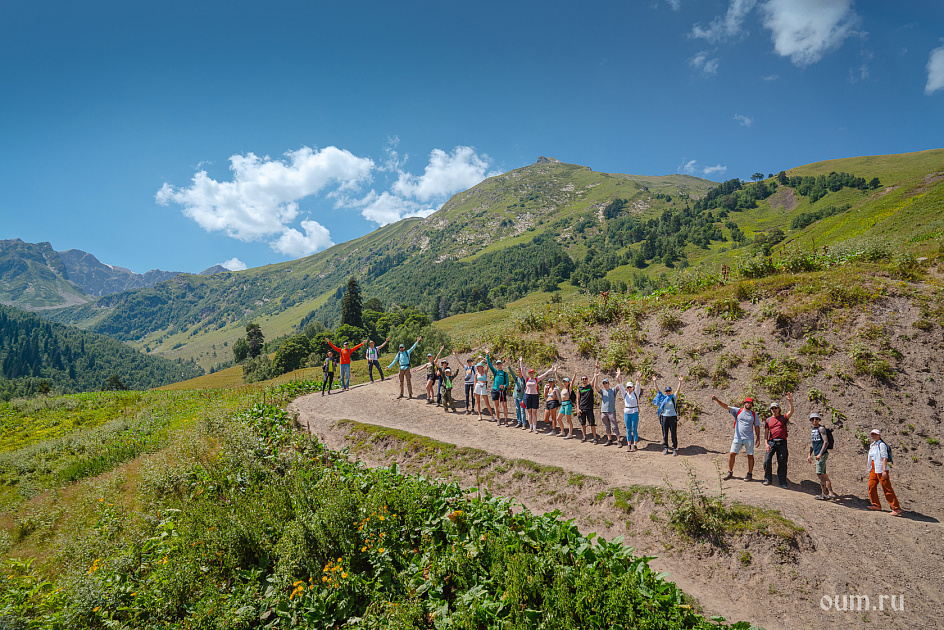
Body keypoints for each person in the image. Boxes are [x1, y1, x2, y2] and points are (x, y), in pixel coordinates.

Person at [712, 395, 760, 479]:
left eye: (750, 403)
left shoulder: (754, 414)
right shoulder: (738, 411)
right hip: (738, 437)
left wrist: (758, 438)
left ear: (752, 405)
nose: (749, 404)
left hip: (749, 438)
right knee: (732, 454)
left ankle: (749, 474)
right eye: (747, 402)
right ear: (744, 403)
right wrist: (717, 400)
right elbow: (726, 406)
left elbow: (757, 426)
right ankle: (730, 472)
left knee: (750, 455)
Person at [867, 429, 902, 516]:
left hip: (880, 468)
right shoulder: (872, 445)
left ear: (879, 435)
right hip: (873, 468)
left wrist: (884, 470)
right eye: (872, 434)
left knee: (886, 488)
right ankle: (876, 505)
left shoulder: (882, 445)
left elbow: (884, 458)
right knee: (871, 486)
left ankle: (896, 508)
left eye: (875, 434)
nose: (874, 436)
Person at [763, 393, 794, 488]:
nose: (774, 410)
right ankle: (768, 479)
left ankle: (782, 482)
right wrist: (766, 444)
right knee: (767, 460)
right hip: (772, 442)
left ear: (779, 409)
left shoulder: (783, 417)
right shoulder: (768, 420)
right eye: (772, 408)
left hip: (782, 443)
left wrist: (790, 401)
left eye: (775, 408)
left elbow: (791, 411)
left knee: (782, 462)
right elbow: (766, 433)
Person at [808, 413, 837, 500]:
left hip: (822, 454)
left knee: (821, 474)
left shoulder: (821, 429)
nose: (814, 420)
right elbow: (813, 443)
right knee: (821, 474)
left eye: (816, 419)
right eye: (812, 419)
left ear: (819, 419)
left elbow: (826, 442)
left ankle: (829, 493)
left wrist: (820, 454)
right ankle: (825, 493)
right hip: (817, 454)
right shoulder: (813, 430)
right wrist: (809, 454)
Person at [521, 361, 555, 433]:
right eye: (530, 373)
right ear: (529, 374)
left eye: (532, 373)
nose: (531, 374)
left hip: (534, 396)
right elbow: (522, 370)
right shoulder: (526, 379)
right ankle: (530, 427)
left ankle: (534, 428)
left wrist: (550, 370)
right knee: (529, 412)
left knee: (534, 412)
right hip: (527, 396)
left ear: (534, 373)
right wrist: (521, 361)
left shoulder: (536, 379)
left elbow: (544, 375)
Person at [654, 375, 684, 455]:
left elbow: (678, 390)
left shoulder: (673, 397)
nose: (668, 392)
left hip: (672, 417)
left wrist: (680, 382)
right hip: (664, 417)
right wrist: (655, 381)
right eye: (667, 391)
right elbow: (657, 391)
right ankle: (666, 448)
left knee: (673, 433)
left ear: (671, 391)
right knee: (665, 433)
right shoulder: (663, 397)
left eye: (669, 391)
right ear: (665, 392)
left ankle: (674, 448)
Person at [617, 369, 643, 452]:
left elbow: (638, 384)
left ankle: (635, 445)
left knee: (634, 429)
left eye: (630, 387)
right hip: (627, 413)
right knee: (628, 429)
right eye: (628, 387)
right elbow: (620, 384)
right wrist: (619, 376)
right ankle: (629, 444)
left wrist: (638, 377)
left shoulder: (636, 393)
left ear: (633, 387)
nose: (629, 388)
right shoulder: (624, 394)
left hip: (634, 412)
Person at [597, 368, 621, 446]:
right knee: (606, 426)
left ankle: (618, 441)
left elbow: (619, 385)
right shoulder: (602, 391)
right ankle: (609, 440)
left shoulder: (613, 390)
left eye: (606, 382)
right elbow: (595, 386)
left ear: (608, 383)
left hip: (611, 411)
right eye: (603, 383)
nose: (605, 384)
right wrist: (596, 376)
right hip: (603, 412)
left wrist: (618, 376)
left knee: (614, 426)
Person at [486, 352, 511, 426]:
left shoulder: (504, 373)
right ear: (496, 365)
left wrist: (504, 386)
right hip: (495, 390)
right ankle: (498, 419)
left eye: (500, 363)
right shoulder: (495, 371)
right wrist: (487, 355)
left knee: (504, 405)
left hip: (502, 391)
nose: (499, 365)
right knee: (496, 406)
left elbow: (507, 383)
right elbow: (490, 365)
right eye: (497, 364)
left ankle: (506, 421)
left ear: (502, 364)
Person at [577, 371, 600, 443]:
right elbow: (577, 399)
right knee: (583, 424)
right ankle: (584, 436)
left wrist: (595, 373)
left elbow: (593, 381)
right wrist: (578, 408)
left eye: (585, 379)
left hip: (589, 408)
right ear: (581, 380)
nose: (584, 380)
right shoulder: (579, 389)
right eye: (583, 379)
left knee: (592, 424)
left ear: (587, 380)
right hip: (582, 408)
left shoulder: (590, 387)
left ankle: (595, 438)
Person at [557, 370, 577, 439]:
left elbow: (572, 382)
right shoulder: (562, 388)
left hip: (568, 404)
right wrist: (555, 372)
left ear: (568, 383)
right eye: (564, 382)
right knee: (558, 419)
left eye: (566, 382)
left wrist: (575, 374)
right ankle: (562, 432)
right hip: (563, 405)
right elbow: (558, 381)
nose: (565, 383)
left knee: (568, 420)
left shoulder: (569, 389)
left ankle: (570, 433)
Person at [510, 358, 527, 429]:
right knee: (517, 409)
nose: (518, 373)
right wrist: (508, 365)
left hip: (521, 397)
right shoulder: (516, 378)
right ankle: (519, 422)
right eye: (517, 371)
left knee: (522, 410)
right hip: (516, 396)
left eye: (519, 371)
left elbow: (525, 390)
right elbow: (511, 372)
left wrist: (523, 398)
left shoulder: (524, 379)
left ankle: (524, 424)